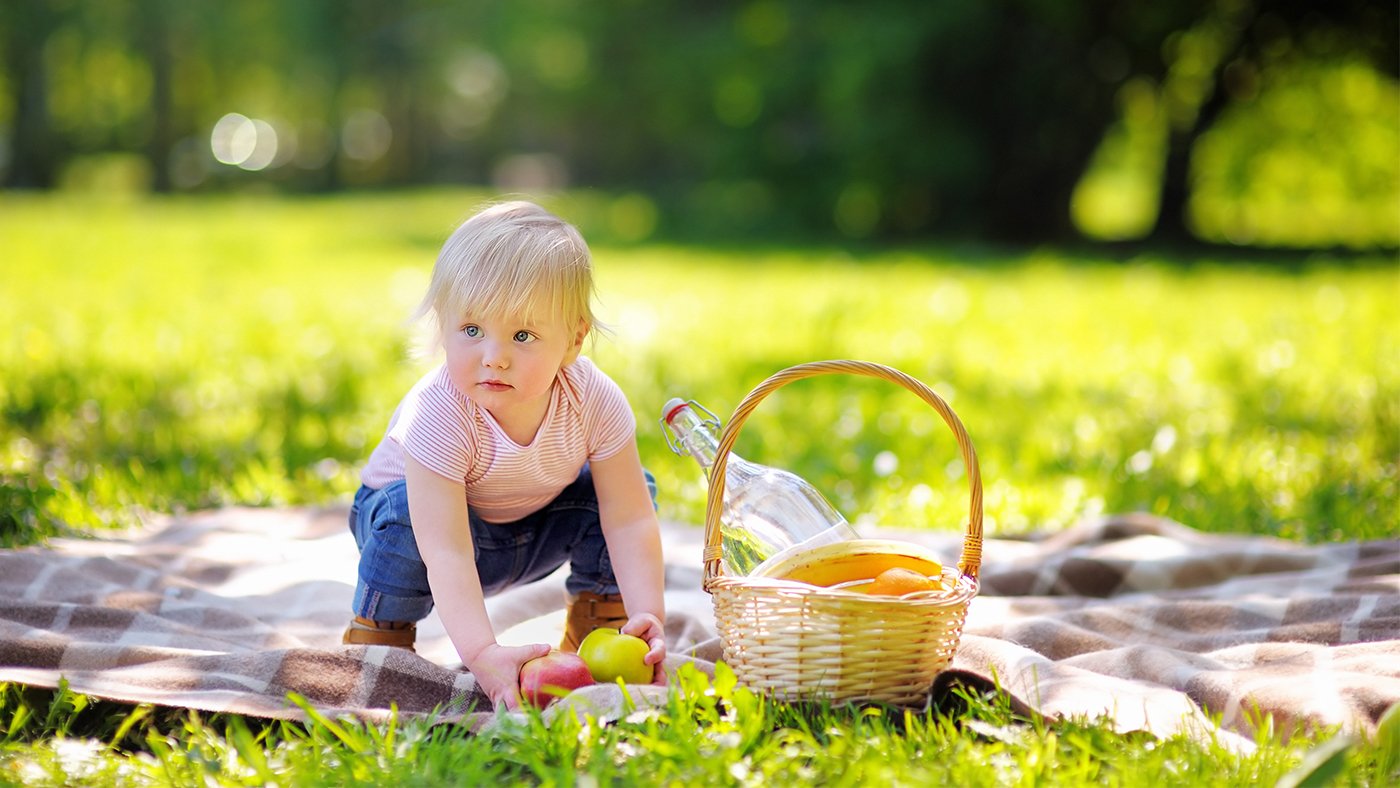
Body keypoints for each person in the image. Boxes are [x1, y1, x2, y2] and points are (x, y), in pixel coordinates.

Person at [343, 200, 666, 709]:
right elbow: (445, 549)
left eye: (523, 335)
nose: (494, 355)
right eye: (471, 331)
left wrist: (651, 613)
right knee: (403, 514)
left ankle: (604, 627)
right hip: (426, 538)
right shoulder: (439, 412)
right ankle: (381, 636)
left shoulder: (595, 400)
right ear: (444, 324)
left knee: (631, 490)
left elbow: (628, 521)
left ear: (574, 340)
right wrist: (481, 652)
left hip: (527, 527)